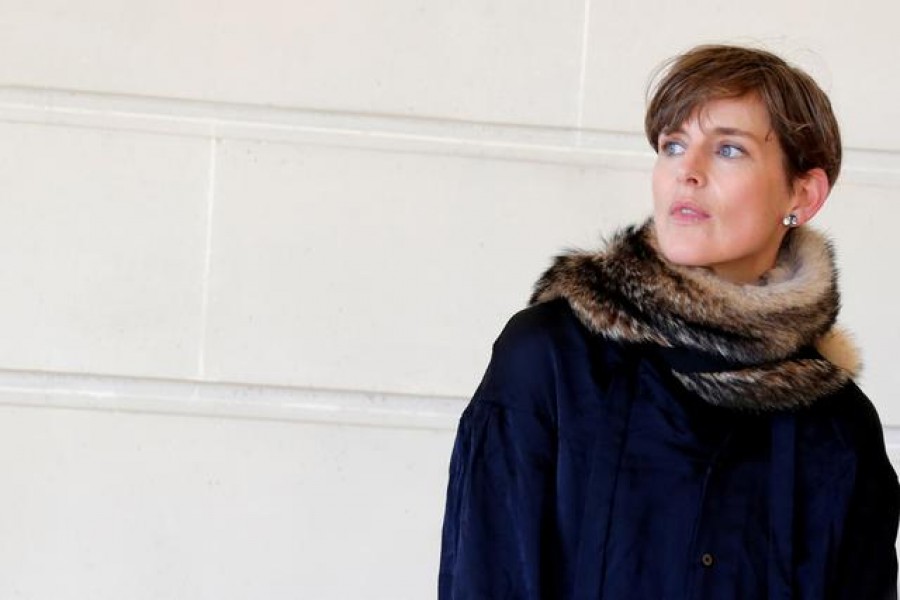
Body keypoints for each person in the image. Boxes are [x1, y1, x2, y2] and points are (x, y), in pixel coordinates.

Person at [438, 44, 900, 599]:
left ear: (803, 193)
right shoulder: (551, 359)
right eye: (673, 146)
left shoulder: (838, 427)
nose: (688, 172)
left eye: (728, 149)